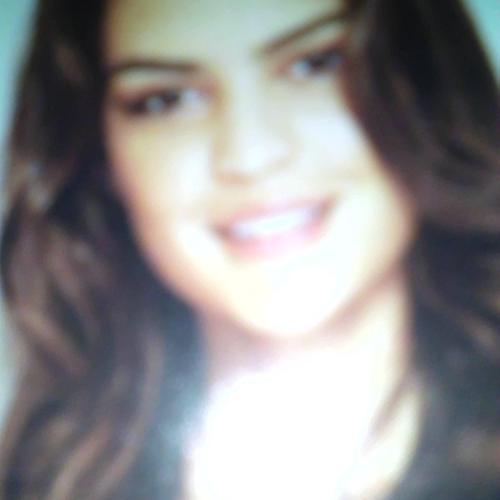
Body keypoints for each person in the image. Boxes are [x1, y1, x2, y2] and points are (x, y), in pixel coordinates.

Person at [0, 0, 499, 498]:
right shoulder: (42, 477)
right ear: (102, 159)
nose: (250, 154)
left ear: (428, 91)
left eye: (315, 65)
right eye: (167, 100)